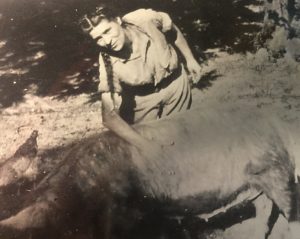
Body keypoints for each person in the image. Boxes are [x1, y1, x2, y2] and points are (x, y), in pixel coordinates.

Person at [80, 6, 202, 150]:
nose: (106, 41)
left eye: (107, 31)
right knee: (146, 146)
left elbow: (172, 30)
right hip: (143, 100)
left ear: (118, 20)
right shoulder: (107, 61)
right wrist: (147, 146)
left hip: (175, 86)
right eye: (98, 39)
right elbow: (109, 117)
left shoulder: (144, 19)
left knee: (182, 139)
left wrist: (190, 59)